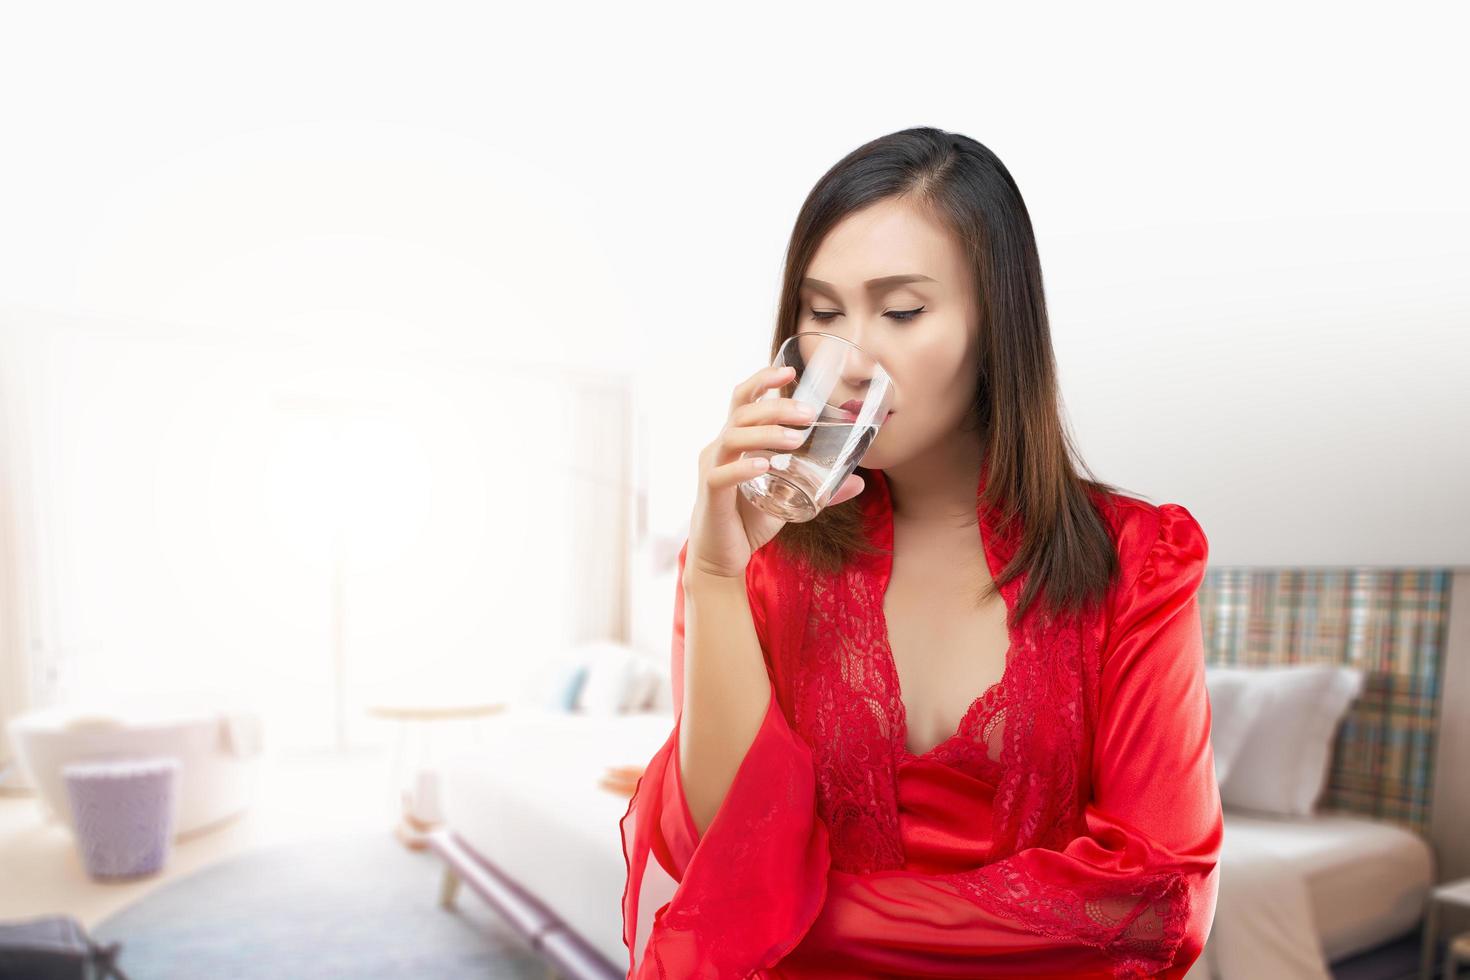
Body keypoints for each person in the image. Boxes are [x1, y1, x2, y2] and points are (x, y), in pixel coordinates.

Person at [619, 126, 1221, 979]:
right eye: (823, 313)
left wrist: (800, 914)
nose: (851, 358)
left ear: (996, 321)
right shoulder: (755, 552)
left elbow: (1160, 894)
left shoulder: (1136, 560)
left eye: (901, 312)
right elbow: (714, 847)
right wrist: (715, 576)